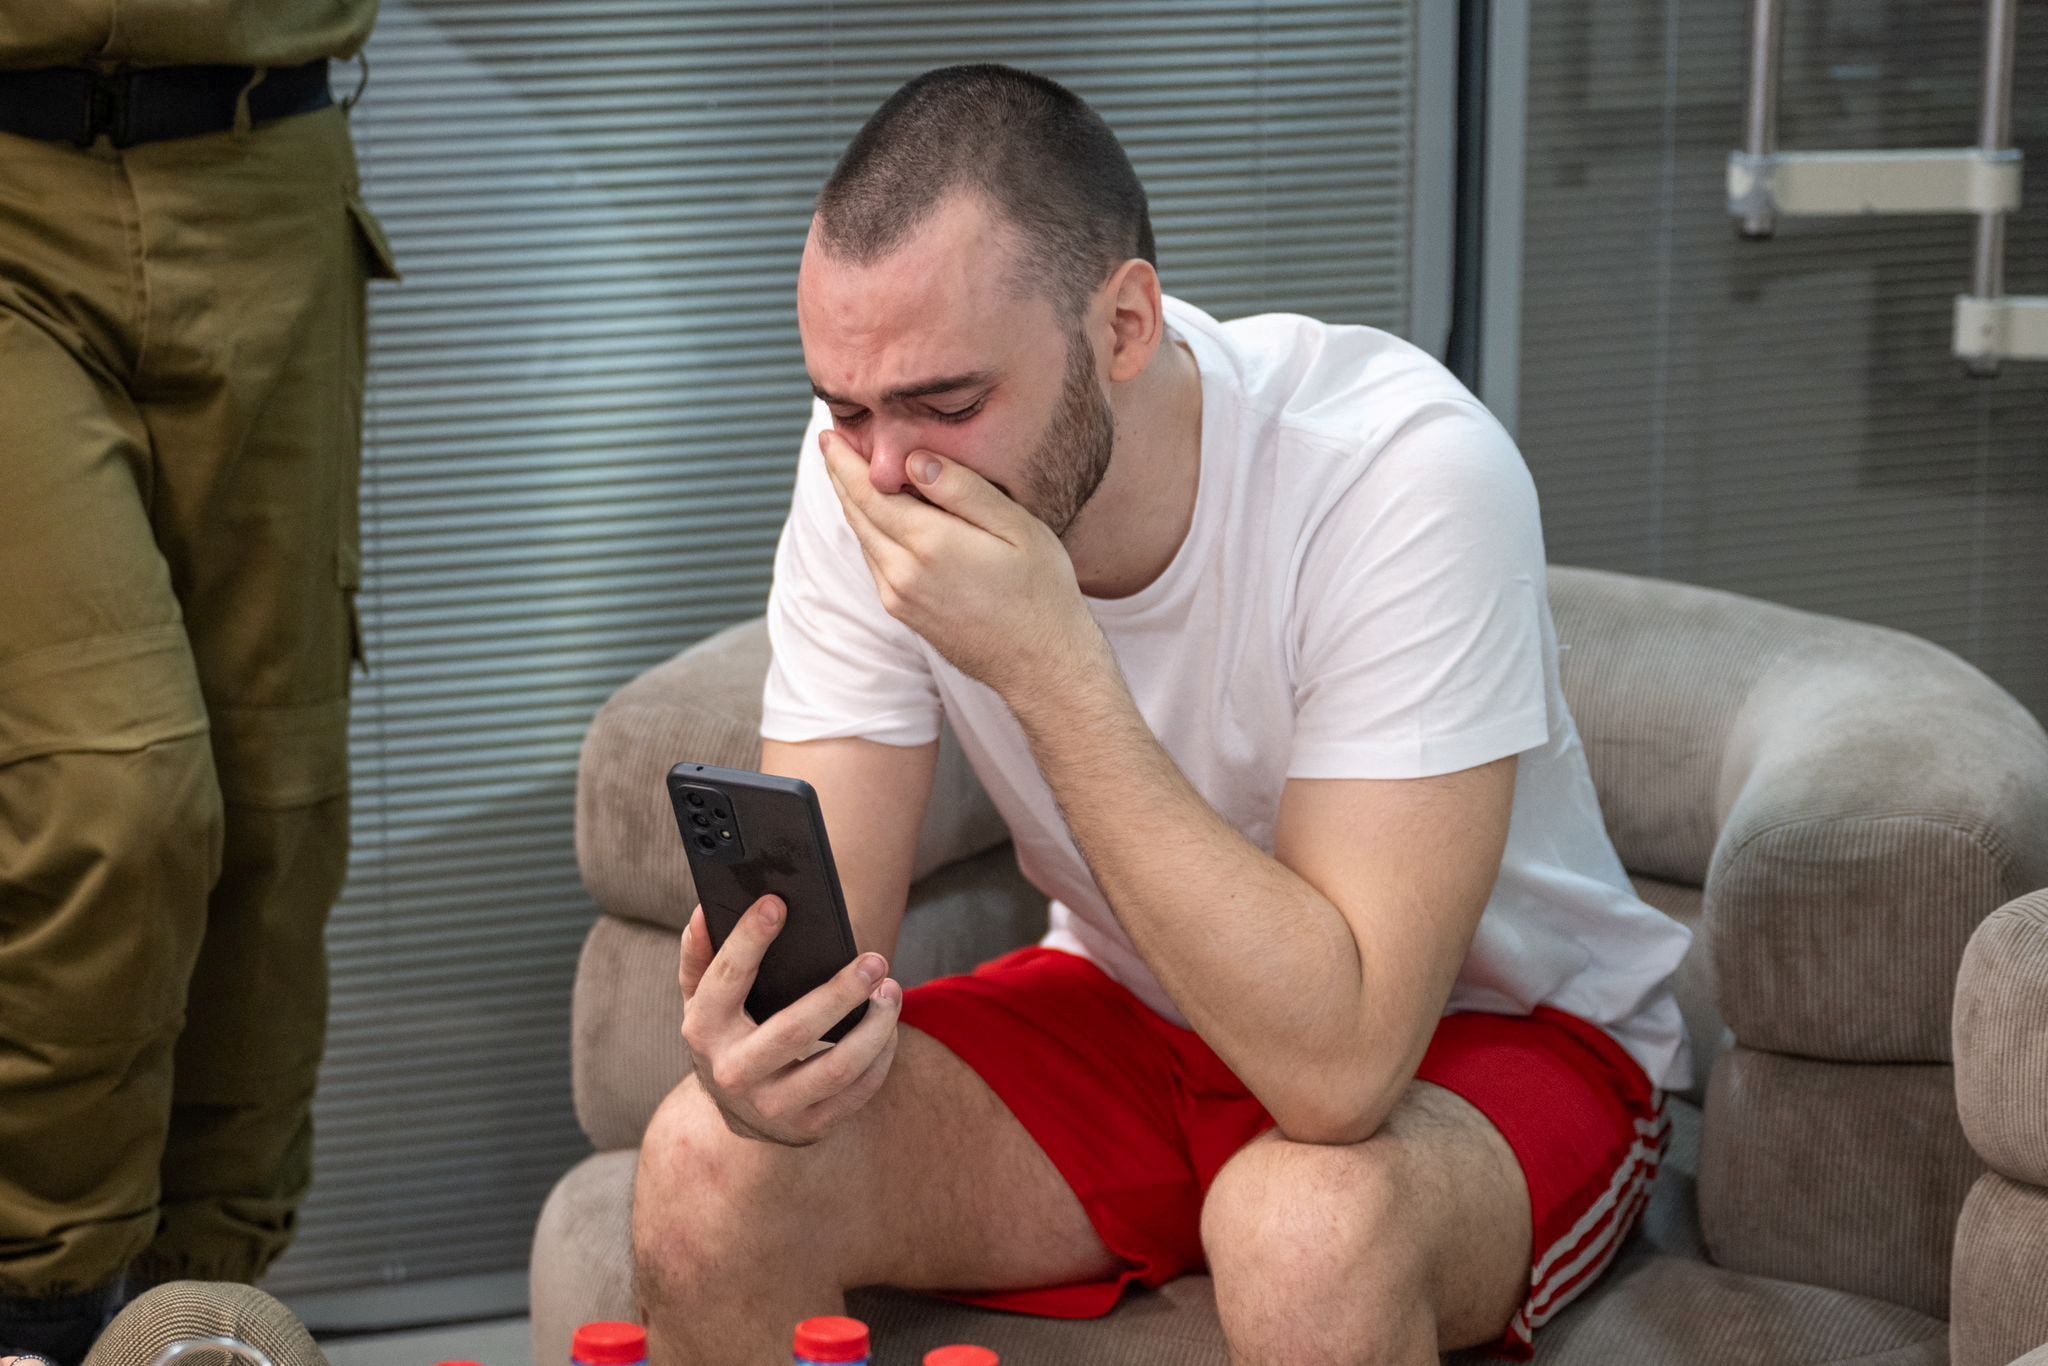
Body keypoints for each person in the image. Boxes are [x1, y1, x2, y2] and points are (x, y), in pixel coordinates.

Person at [632, 63, 1691, 1365]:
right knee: (702, 1159)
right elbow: (838, 928)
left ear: (1124, 324)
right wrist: (773, 1039)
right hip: (1137, 1010)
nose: (891, 470)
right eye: (848, 407)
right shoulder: (864, 460)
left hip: (1485, 1037)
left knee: (1302, 1225)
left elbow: (1340, 1068)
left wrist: (1055, 665)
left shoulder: (1400, 474)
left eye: (952, 404)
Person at [0, 7, 395, 1363]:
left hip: (265, 171)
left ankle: (191, 1321)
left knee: (275, 807)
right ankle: (38, 1315)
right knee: (117, 794)